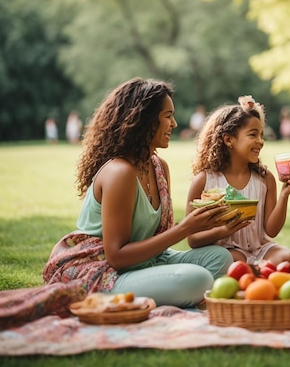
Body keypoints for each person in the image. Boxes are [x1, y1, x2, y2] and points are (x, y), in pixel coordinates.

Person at [43, 78, 236, 308]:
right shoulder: (120, 173)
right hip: (103, 271)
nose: (174, 124)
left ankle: (164, 295)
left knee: (221, 258)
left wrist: (211, 223)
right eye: (167, 116)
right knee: (199, 280)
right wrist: (185, 229)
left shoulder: (159, 167)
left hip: (146, 262)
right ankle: (125, 298)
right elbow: (116, 257)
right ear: (144, 120)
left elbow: (155, 243)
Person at [186, 95, 290, 266]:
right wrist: (224, 230)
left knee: (286, 258)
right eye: (253, 135)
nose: (260, 141)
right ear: (228, 140)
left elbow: (272, 230)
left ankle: (259, 274)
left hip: (260, 248)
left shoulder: (265, 179)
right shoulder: (204, 181)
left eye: (261, 135)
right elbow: (192, 239)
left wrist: (285, 194)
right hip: (226, 251)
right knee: (237, 263)